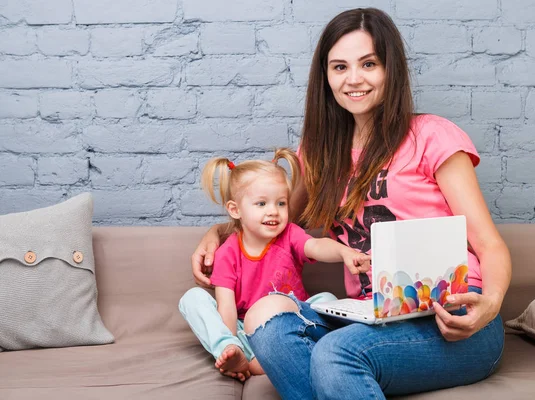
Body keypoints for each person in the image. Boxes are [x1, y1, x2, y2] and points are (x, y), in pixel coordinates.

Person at [190, 7, 512, 399]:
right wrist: (219, 231)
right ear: (325, 77)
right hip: (370, 316)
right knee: (264, 323)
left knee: (335, 354)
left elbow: (490, 244)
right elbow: (277, 217)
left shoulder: (433, 136)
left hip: (453, 317)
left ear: (391, 69)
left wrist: (490, 306)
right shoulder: (319, 153)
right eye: (340, 67)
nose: (354, 79)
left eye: (369, 64)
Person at [179, 148, 371, 383]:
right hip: (246, 333)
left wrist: (344, 252)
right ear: (235, 209)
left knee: (326, 300)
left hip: (290, 327)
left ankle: (272, 358)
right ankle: (232, 352)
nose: (273, 211)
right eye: (261, 204)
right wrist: (233, 342)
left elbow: (317, 246)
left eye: (281, 203)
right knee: (192, 298)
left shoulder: (290, 234)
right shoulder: (227, 251)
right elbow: (226, 308)